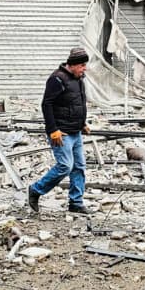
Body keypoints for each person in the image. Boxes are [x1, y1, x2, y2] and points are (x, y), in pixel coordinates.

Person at [27, 47, 92, 214]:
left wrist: (82, 122)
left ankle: (76, 202)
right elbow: (46, 104)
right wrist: (52, 130)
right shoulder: (57, 79)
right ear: (72, 65)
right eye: (82, 65)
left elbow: (78, 102)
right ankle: (35, 190)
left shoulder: (79, 79)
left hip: (75, 131)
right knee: (65, 166)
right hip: (61, 133)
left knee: (79, 167)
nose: (84, 69)